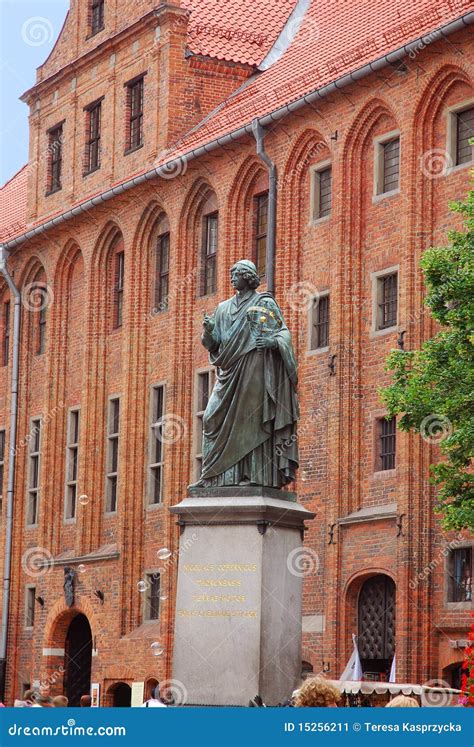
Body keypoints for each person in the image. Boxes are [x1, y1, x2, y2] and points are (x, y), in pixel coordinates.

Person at [191, 259, 299, 489]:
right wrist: (208, 333)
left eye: (236, 274)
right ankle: (215, 476)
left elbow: (283, 333)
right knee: (211, 418)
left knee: (252, 420)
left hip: (255, 369)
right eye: (231, 274)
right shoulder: (223, 308)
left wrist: (271, 341)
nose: (232, 278)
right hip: (230, 372)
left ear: (248, 277)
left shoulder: (264, 303)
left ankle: (254, 475)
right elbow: (214, 345)